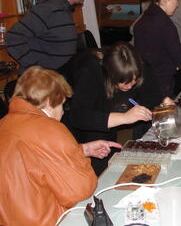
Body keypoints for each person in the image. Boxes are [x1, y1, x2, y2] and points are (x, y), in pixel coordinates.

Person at [0, 66, 120, 226]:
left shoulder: (5, 123)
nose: (63, 111)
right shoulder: (49, 128)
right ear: (49, 102)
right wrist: (77, 158)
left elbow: (33, 159)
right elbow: (81, 190)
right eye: (62, 104)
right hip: (47, 220)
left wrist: (82, 149)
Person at [64, 42, 166, 175]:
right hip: (84, 119)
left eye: (134, 81)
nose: (130, 86)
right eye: (124, 82)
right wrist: (124, 117)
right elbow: (79, 116)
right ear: (110, 75)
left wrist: (162, 102)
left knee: (112, 156)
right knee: (99, 160)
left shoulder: (138, 66)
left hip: (107, 110)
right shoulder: (90, 71)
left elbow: (153, 96)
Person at [5, 0, 89, 74]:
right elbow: (13, 38)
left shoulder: (63, 7)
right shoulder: (48, 8)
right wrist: (36, 69)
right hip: (41, 83)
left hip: (57, 78)